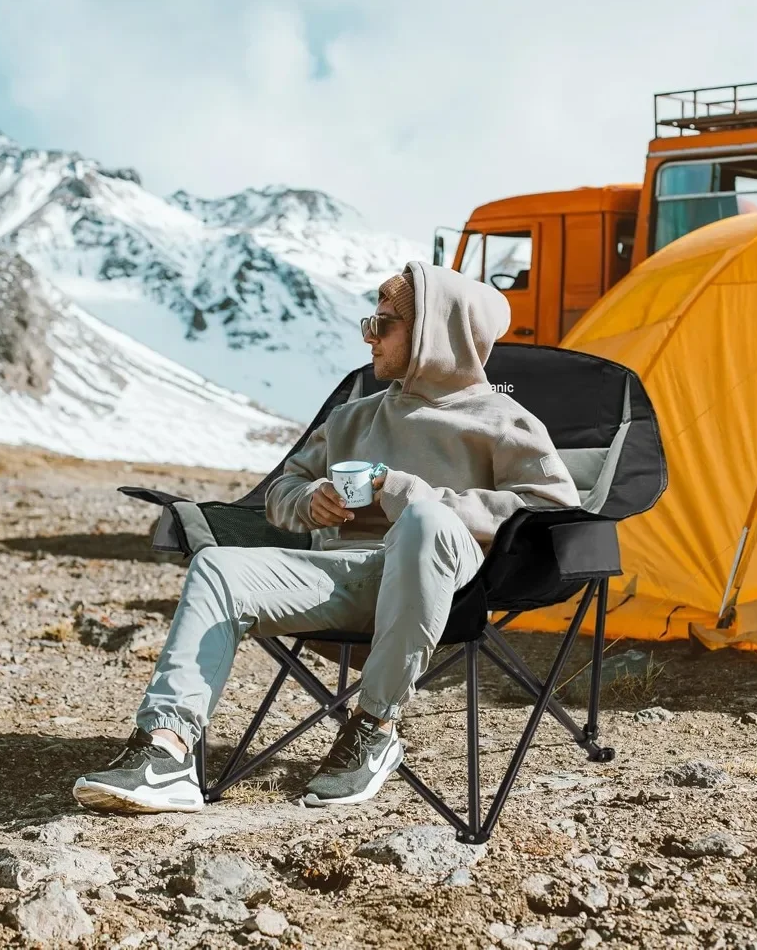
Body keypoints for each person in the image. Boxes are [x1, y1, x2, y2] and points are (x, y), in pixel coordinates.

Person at [72, 261, 581, 814]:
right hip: (347, 576)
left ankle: (374, 727)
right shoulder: (355, 416)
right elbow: (282, 488)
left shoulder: (505, 421)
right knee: (219, 568)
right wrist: (308, 502)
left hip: (445, 584)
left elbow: (552, 506)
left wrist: (409, 492)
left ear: (434, 332)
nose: (368, 336)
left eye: (383, 324)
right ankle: (166, 752)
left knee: (424, 521)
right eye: (370, 322)